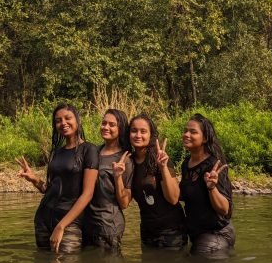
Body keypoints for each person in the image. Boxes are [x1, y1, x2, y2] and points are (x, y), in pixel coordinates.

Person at [16, 103, 99, 254]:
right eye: (58, 120)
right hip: (44, 218)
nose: (63, 123)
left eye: (68, 118)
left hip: (69, 222)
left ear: (77, 120)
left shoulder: (89, 150)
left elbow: (88, 194)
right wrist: (34, 179)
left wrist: (62, 226)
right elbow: (50, 189)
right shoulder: (57, 152)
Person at [114, 113, 187, 249]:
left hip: (171, 231)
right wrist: (118, 176)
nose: (138, 135)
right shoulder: (128, 163)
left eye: (143, 131)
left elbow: (174, 198)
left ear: (151, 135)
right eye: (134, 131)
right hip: (147, 231)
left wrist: (163, 167)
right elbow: (124, 203)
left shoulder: (160, 159)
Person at [179, 113, 235, 255]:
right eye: (185, 130)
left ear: (204, 138)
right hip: (197, 234)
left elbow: (225, 209)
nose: (186, 134)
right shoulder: (186, 164)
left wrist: (211, 188)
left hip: (217, 233)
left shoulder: (214, 165)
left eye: (193, 132)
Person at [82, 109, 134, 251]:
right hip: (87, 223)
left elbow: (124, 203)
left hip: (108, 226)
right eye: (104, 123)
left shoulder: (125, 159)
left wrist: (117, 176)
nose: (106, 127)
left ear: (121, 128)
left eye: (112, 125)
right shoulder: (93, 152)